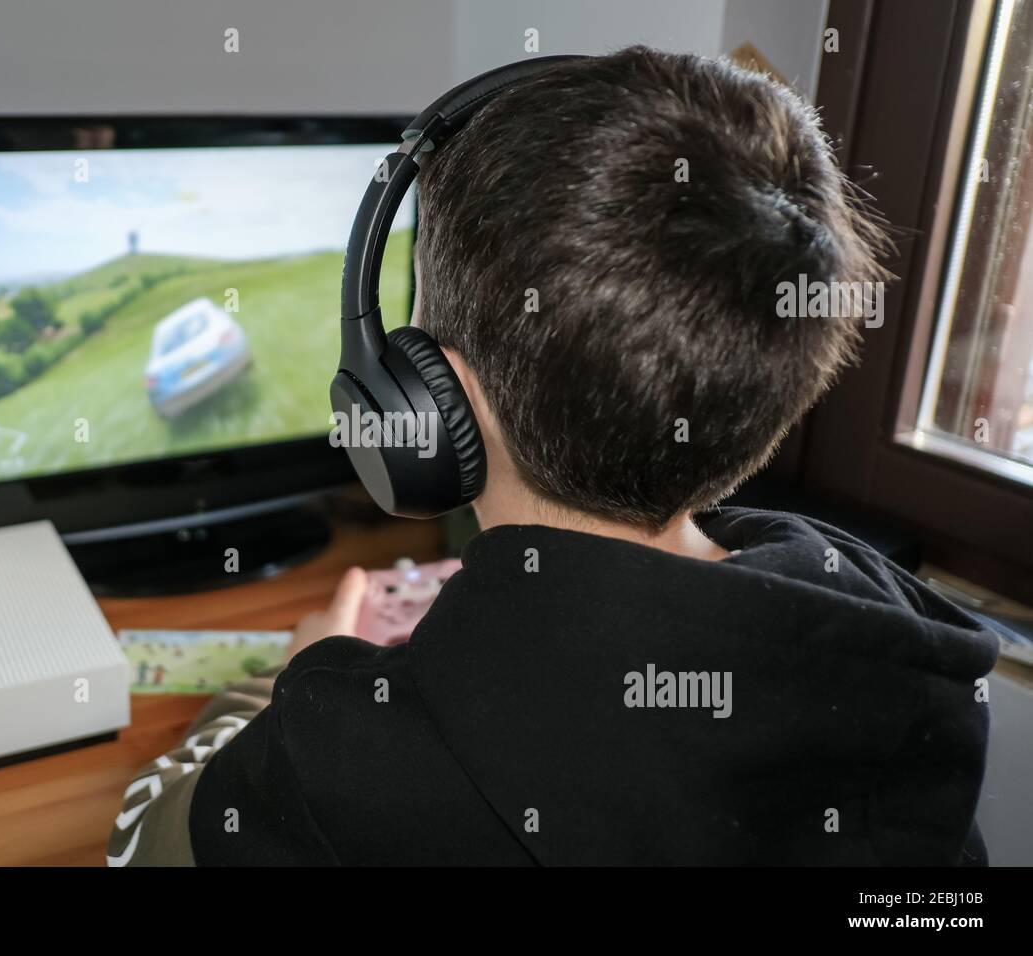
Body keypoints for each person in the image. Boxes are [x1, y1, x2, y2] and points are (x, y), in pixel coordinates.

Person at [107, 47, 998, 866]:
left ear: (431, 396)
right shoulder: (899, 649)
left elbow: (140, 839)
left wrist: (288, 675)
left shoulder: (355, 754)